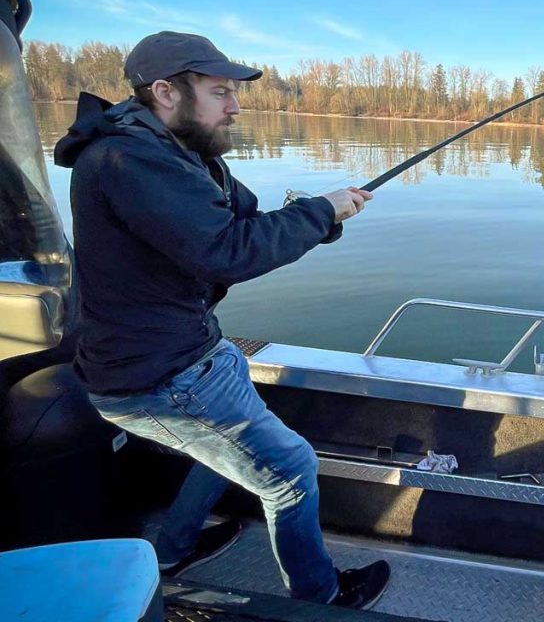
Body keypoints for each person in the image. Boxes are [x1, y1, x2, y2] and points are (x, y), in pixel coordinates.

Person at [53, 31, 390, 608]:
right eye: (220, 92)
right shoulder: (127, 159)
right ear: (164, 91)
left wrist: (323, 212)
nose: (236, 106)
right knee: (288, 469)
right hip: (159, 376)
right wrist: (318, 213)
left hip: (193, 355)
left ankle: (173, 549)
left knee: (232, 448)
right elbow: (229, 250)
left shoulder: (181, 152)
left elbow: (249, 220)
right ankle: (319, 597)